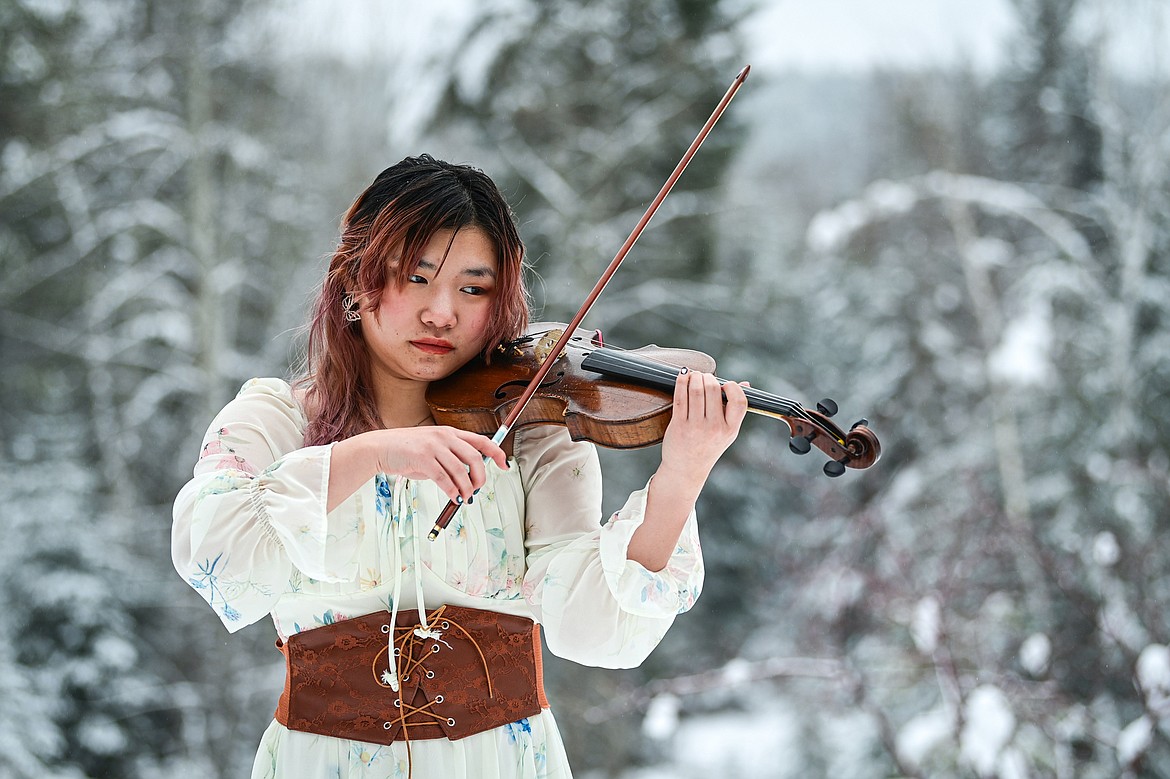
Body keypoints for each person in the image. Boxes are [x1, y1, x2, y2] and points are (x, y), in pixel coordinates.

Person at [172, 154, 747, 779]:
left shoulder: (533, 432)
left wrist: (681, 478)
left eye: (473, 288)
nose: (442, 312)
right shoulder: (276, 419)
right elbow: (214, 553)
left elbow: (591, 628)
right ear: (354, 282)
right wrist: (375, 453)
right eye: (416, 278)